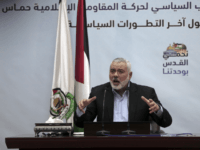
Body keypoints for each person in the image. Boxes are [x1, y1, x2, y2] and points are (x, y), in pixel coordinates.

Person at [74, 58, 172, 128]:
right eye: (112, 71)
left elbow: (166, 122)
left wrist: (158, 110)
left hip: (136, 144)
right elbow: (82, 124)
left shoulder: (146, 93)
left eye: (120, 71)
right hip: (106, 144)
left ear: (130, 75)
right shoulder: (99, 93)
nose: (115, 75)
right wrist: (80, 110)